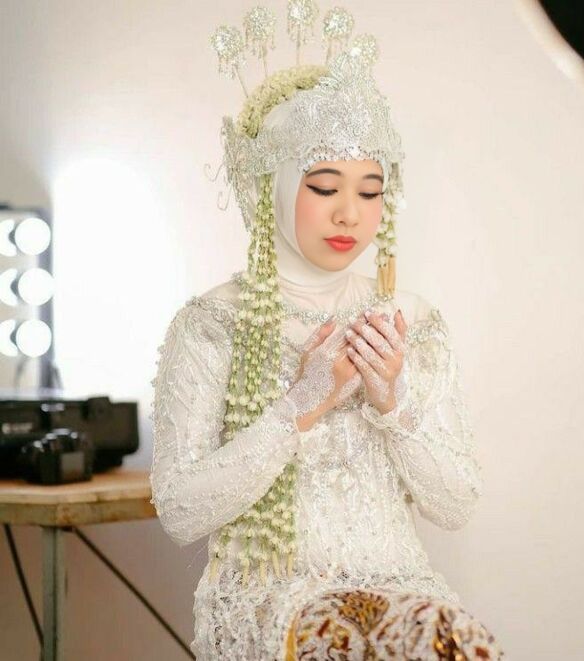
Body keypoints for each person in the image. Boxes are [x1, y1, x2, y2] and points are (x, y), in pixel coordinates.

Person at [150, 4, 506, 659]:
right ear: (272, 186)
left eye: (370, 192)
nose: (350, 214)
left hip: (401, 588)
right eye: (323, 186)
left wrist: (394, 403)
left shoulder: (411, 322)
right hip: (270, 594)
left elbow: (455, 504)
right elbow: (180, 510)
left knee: (459, 642)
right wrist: (298, 405)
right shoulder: (213, 324)